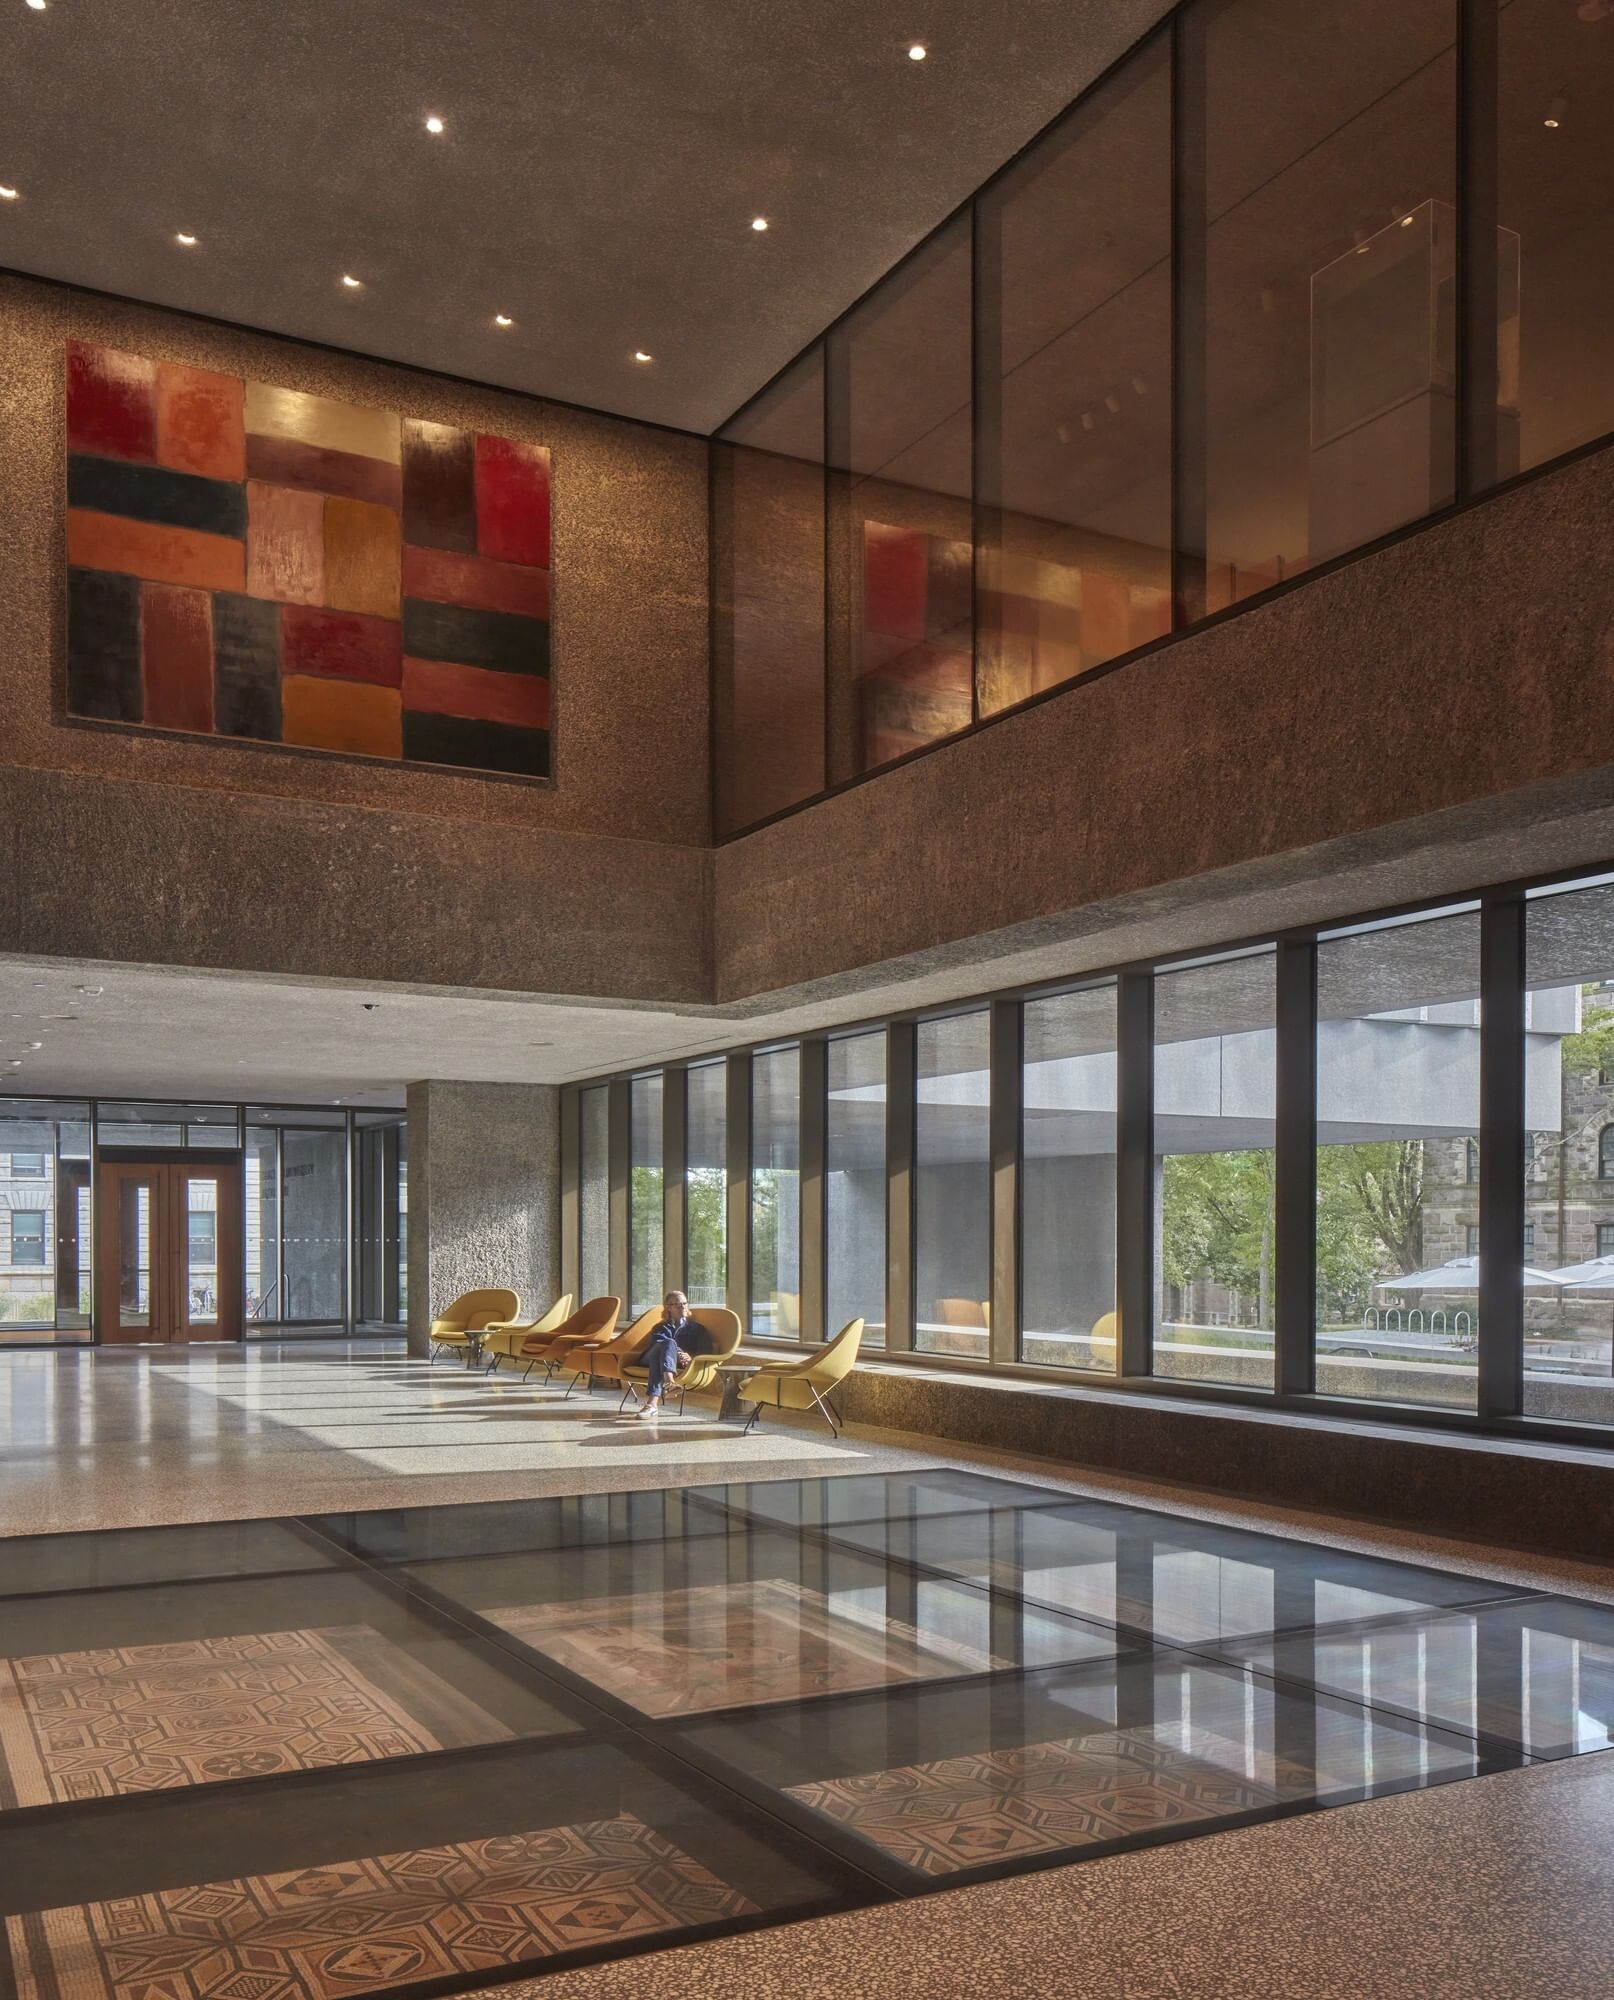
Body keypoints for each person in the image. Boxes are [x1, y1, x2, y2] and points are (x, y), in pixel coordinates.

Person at [637, 1289, 712, 1418]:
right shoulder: (661, 1327)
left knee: (660, 1360)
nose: (681, 1306)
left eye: (684, 1303)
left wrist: (692, 1358)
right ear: (668, 1308)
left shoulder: (698, 1329)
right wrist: (679, 1352)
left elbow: (706, 1351)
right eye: (677, 1304)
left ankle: (651, 1405)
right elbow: (658, 1342)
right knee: (667, 1343)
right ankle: (670, 1382)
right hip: (649, 1358)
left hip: (669, 1362)